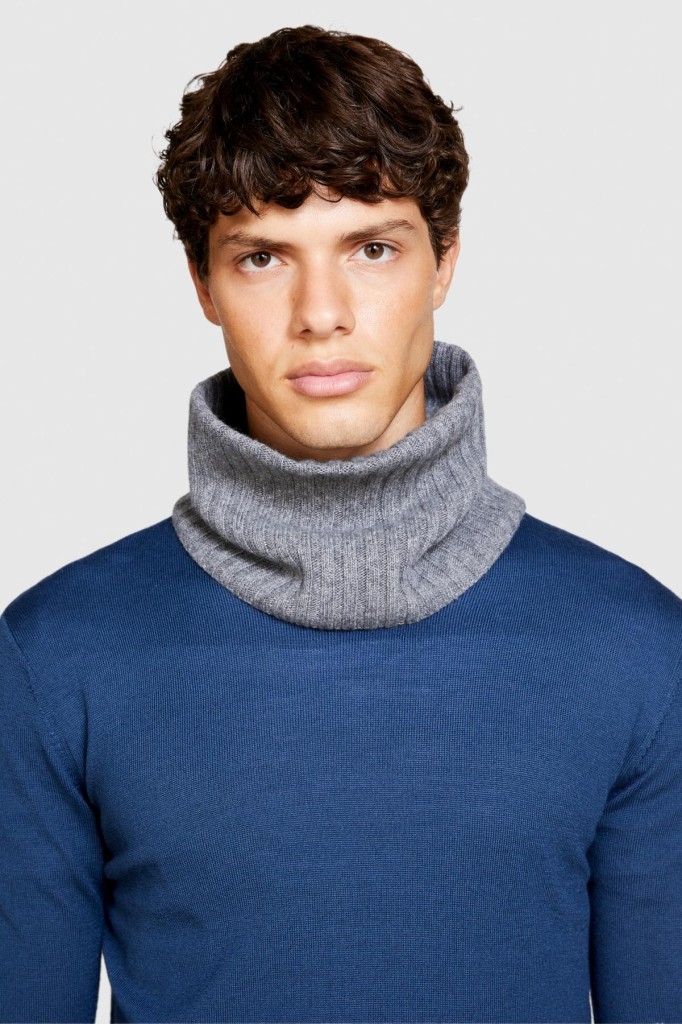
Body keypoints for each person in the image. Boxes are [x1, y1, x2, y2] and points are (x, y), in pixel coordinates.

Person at [0, 23, 680, 1024]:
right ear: (203, 285)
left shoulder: (636, 649)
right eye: (262, 257)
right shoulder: (55, 657)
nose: (321, 312)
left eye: (372, 247)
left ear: (443, 262)